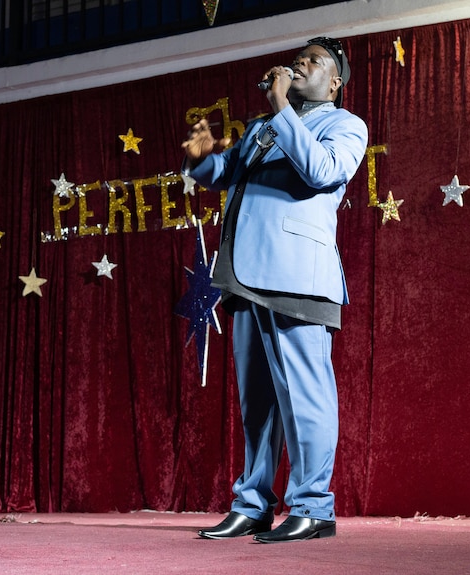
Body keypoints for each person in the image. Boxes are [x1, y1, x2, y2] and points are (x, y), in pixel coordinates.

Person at [181, 37, 368, 543]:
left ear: (334, 82)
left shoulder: (344, 125)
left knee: (305, 397)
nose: (298, 65)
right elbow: (231, 175)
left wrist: (282, 106)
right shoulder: (264, 127)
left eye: (313, 62)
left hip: (297, 277)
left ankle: (313, 507)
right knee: (257, 402)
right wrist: (203, 160)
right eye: (297, 59)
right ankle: (253, 504)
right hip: (245, 276)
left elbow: (323, 172)